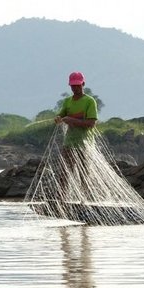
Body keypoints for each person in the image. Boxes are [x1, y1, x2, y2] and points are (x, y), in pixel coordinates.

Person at [53, 71, 98, 201]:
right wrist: (58, 118)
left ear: (83, 84)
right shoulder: (67, 101)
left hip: (84, 143)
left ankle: (85, 200)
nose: (75, 88)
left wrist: (72, 120)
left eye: (78, 85)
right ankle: (61, 199)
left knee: (84, 172)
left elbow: (91, 123)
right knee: (64, 171)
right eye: (73, 86)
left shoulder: (90, 101)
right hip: (69, 142)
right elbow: (61, 115)